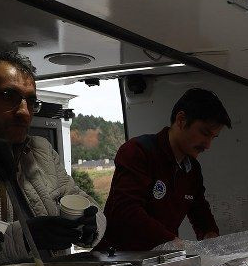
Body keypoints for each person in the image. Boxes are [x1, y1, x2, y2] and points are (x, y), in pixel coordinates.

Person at [0, 50, 104, 264]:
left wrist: (91, 225)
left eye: (31, 101)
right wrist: (26, 238)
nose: (24, 113)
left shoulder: (40, 151)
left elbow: (90, 207)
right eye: (9, 96)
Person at [96, 88, 229, 251]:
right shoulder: (138, 151)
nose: (208, 145)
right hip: (119, 259)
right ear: (181, 120)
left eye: (213, 138)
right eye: (204, 133)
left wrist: (211, 239)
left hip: (160, 260)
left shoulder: (192, 169)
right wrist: (172, 242)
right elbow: (126, 210)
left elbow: (199, 210)